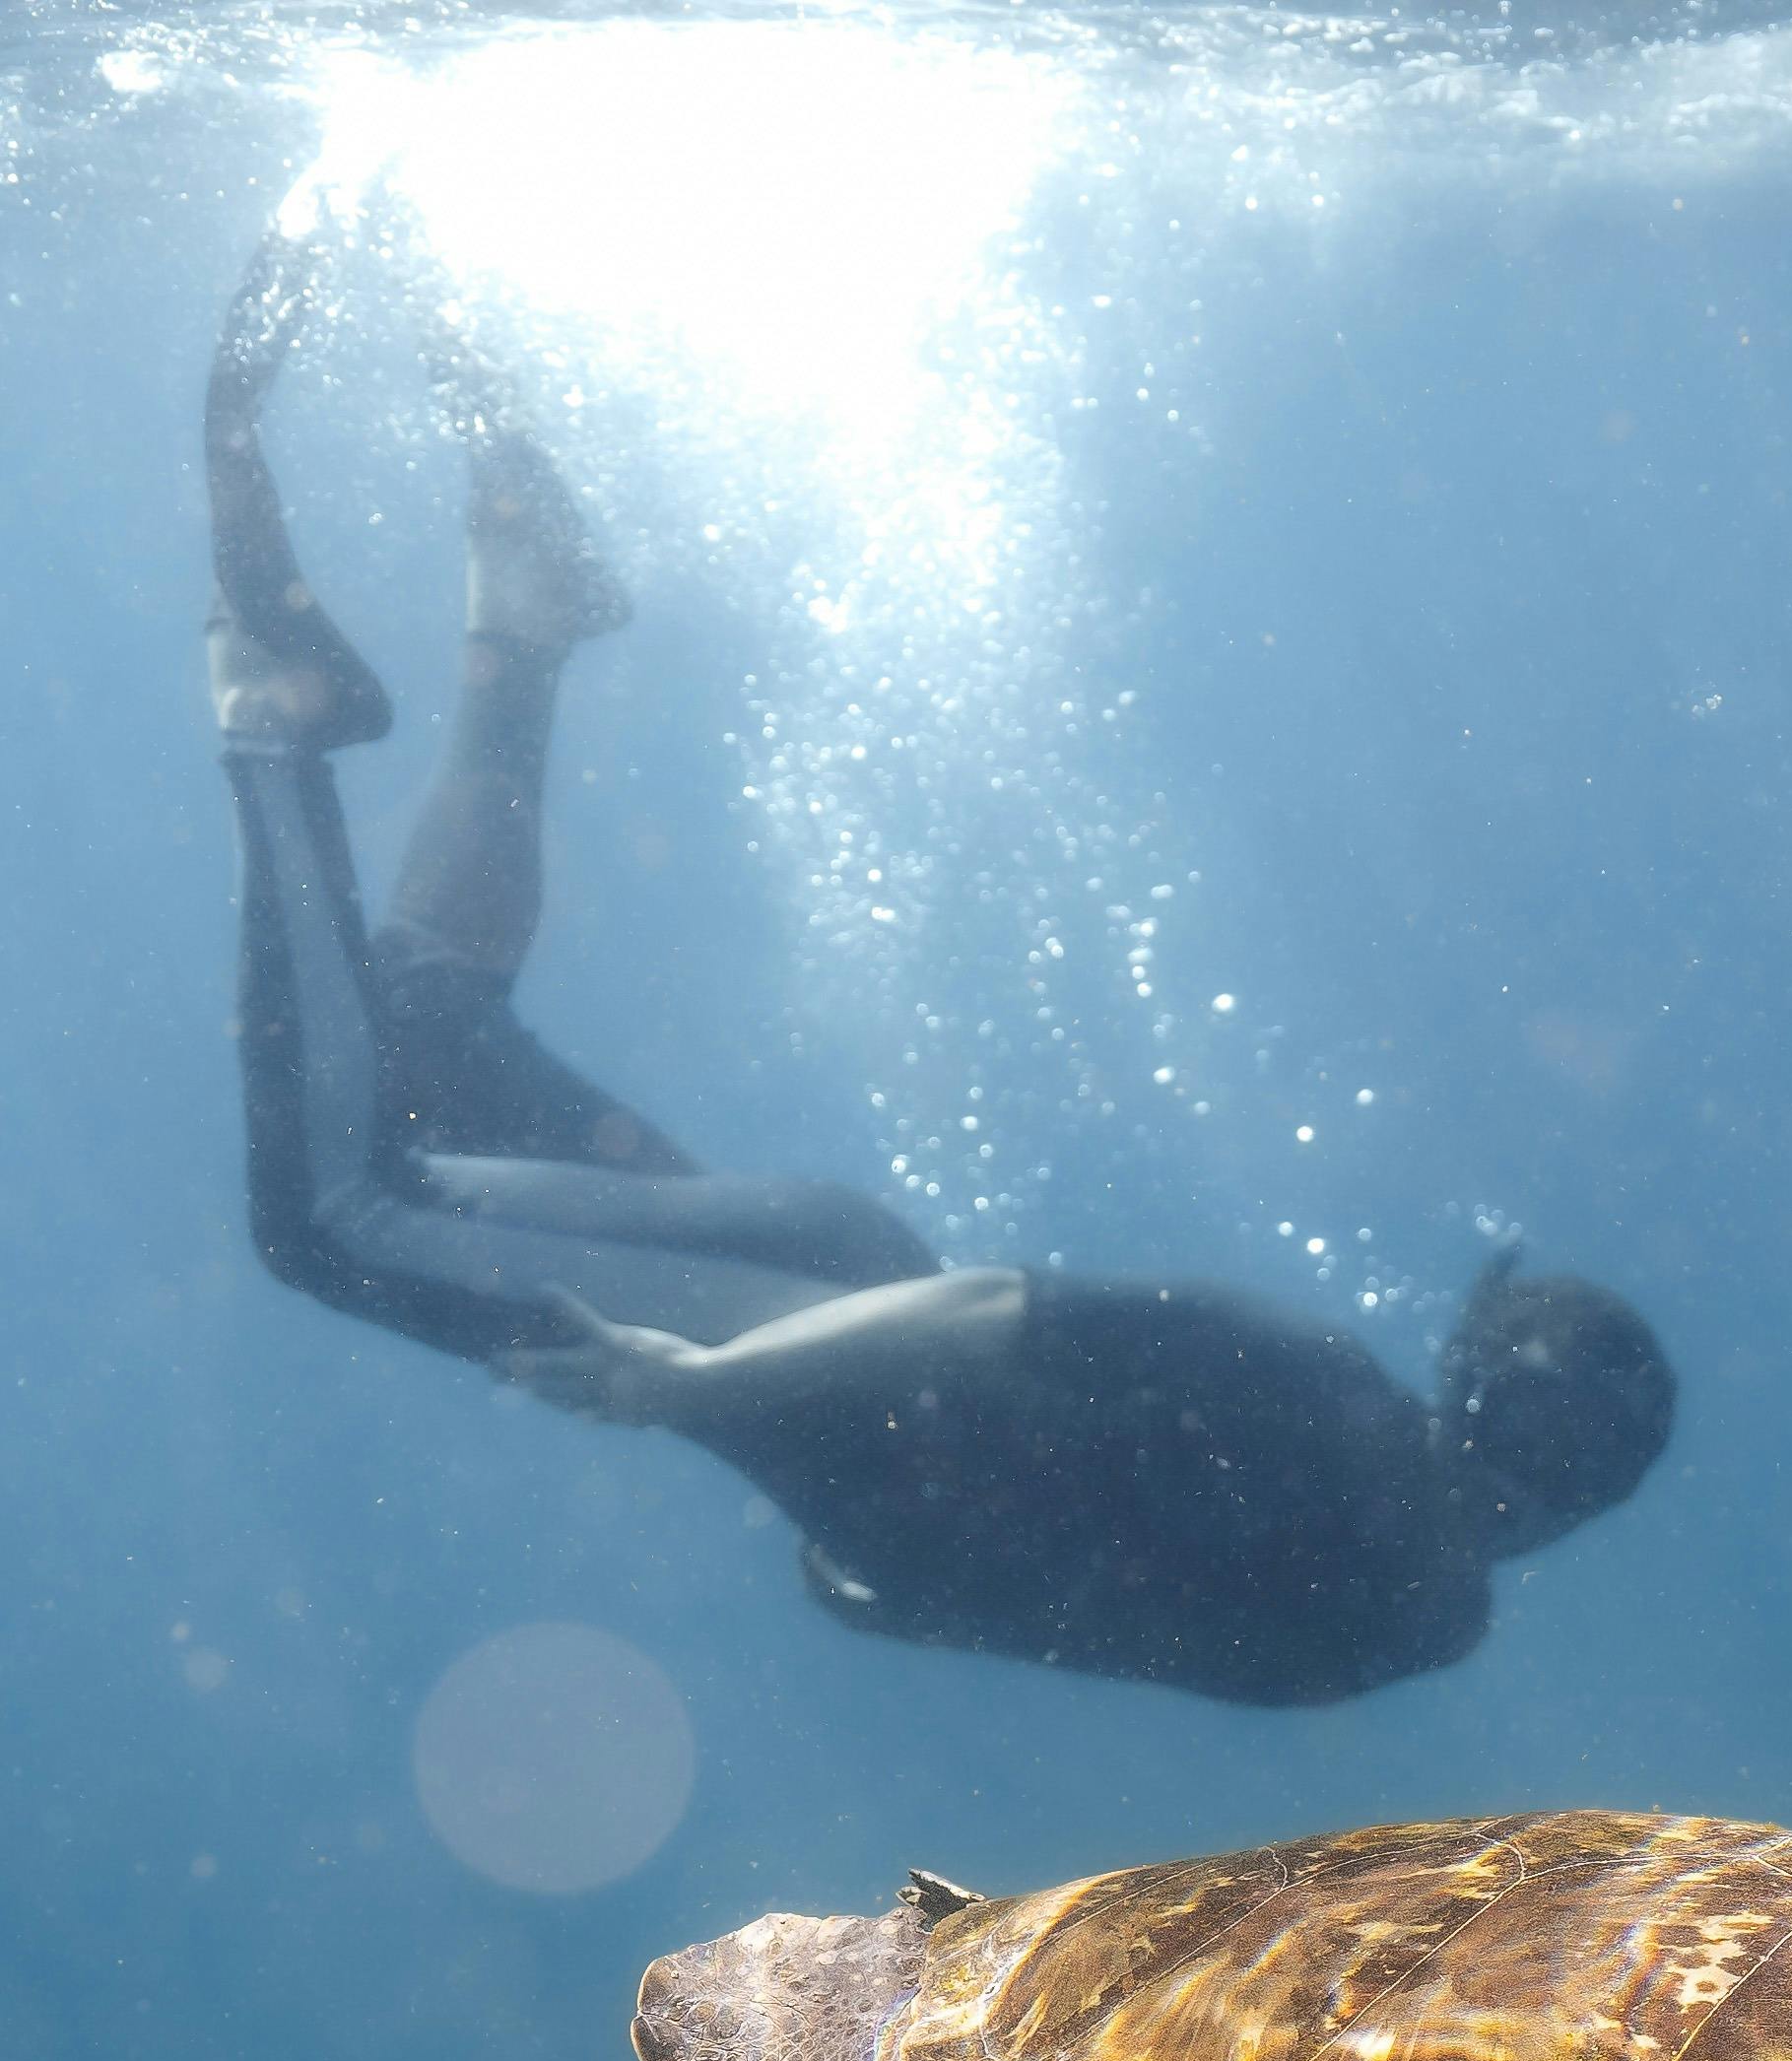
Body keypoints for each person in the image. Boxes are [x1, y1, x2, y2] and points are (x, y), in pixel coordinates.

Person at [206, 227, 1676, 1709]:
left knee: (418, 1024)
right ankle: (283, 721)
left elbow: (1029, 1584)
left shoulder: (1399, 1594)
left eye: (1546, 1467)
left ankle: (526, 617)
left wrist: (847, 1553)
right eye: (1533, 1454)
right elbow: (991, 1317)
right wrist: (705, 1388)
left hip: (819, 1338)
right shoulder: (1352, 1476)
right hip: (817, 1317)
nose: (1512, 1490)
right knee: (342, 1214)